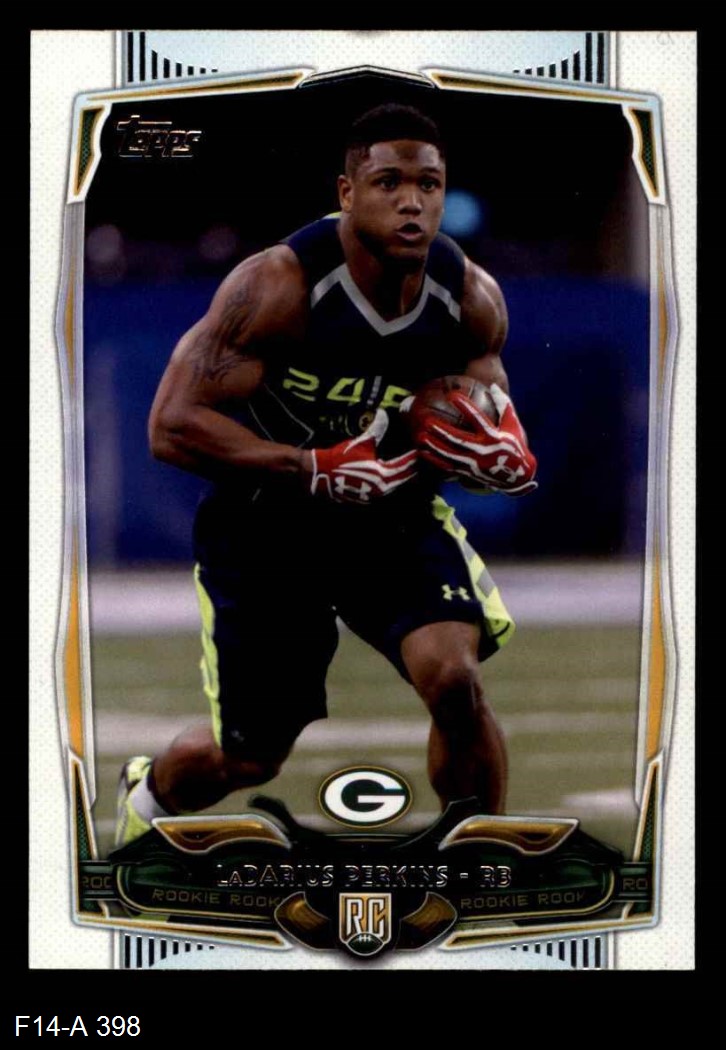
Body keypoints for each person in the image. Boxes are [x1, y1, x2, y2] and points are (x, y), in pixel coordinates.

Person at [114, 103, 537, 848]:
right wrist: (310, 466)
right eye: (389, 182)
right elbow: (171, 424)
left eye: (429, 184)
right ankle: (147, 793)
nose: (412, 202)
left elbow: (482, 407)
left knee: (454, 681)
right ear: (347, 192)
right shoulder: (279, 285)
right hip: (268, 527)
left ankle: (477, 855)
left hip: (390, 518)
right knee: (249, 757)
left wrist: (494, 455)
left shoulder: (470, 296)